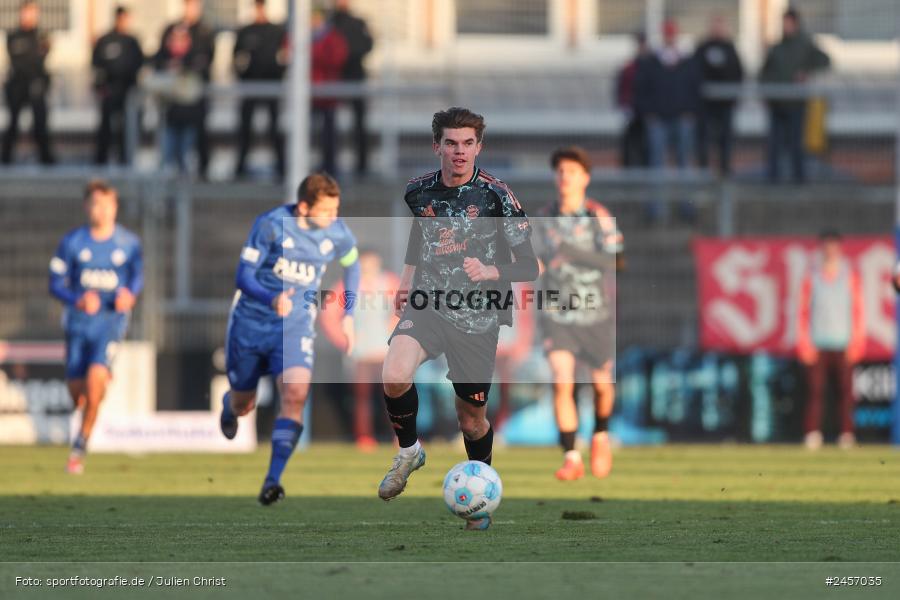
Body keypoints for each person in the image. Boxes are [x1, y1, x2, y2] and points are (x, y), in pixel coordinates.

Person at [377, 107, 539, 530]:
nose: (459, 151)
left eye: (468, 143)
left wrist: (491, 271)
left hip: (478, 318)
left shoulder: (497, 197)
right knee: (394, 372)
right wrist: (407, 279)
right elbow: (424, 231)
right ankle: (410, 451)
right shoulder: (417, 191)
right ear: (437, 147)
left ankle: (479, 502)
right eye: (451, 143)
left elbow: (530, 266)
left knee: (471, 419)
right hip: (429, 304)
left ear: (478, 147)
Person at [219, 173, 360, 505]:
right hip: (251, 323)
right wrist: (271, 298)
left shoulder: (337, 233)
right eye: (326, 210)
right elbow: (243, 276)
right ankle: (231, 405)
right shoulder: (270, 225)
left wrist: (349, 316)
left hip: (296, 326)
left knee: (295, 394)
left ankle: (272, 480)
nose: (333, 218)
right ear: (303, 208)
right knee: (244, 402)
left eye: (336, 209)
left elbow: (352, 267)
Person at [533, 147, 623, 480]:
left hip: (595, 313)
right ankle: (571, 456)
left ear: (584, 178)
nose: (565, 178)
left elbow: (617, 261)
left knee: (601, 384)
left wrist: (571, 252)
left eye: (571, 171)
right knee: (562, 381)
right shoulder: (544, 219)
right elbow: (537, 261)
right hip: (557, 312)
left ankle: (600, 434)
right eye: (560, 172)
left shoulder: (597, 216)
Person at [48, 180, 143, 474]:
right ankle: (97, 384)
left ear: (114, 207)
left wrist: (130, 294)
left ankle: (80, 445)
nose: (100, 210)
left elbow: (136, 279)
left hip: (110, 322)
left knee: (94, 379)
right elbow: (54, 284)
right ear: (86, 207)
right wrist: (77, 299)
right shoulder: (72, 242)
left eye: (106, 204)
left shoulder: (129, 244)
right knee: (77, 392)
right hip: (78, 324)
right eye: (94, 204)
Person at [320, 248, 399, 451]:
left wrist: (397, 328)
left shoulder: (390, 282)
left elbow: (405, 308)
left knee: (395, 396)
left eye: (372, 262)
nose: (368, 267)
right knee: (361, 398)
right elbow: (329, 317)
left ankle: (401, 437)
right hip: (361, 353)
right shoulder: (346, 286)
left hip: (386, 351)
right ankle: (364, 438)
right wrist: (346, 341)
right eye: (364, 263)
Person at [796, 231, 865, 450]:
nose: (830, 251)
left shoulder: (849, 276)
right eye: (826, 247)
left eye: (833, 247)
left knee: (845, 392)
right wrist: (804, 341)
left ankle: (846, 434)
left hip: (843, 341)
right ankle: (813, 433)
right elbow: (802, 310)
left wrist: (857, 340)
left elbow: (858, 310)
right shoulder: (812, 276)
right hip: (818, 341)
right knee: (815, 391)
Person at [760, 9, 830, 184]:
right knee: (774, 145)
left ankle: (798, 180)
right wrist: (765, 94)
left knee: (795, 144)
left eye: (789, 23)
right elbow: (764, 73)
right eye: (784, 23)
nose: (786, 27)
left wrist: (806, 72)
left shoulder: (804, 45)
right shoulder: (777, 48)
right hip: (776, 104)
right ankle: (773, 181)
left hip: (796, 104)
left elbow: (825, 60)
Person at [154, 0, 216, 177]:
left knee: (193, 143)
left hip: (193, 105)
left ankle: (202, 172)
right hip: (173, 107)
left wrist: (184, 67)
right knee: (171, 151)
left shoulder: (205, 31)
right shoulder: (172, 28)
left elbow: (205, 61)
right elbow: (160, 59)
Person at [634, 19, 701, 171]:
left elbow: (695, 88)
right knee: (656, 159)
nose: (670, 38)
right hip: (658, 119)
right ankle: (657, 195)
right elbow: (642, 89)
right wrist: (649, 113)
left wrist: (691, 112)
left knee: (684, 159)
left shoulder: (687, 61)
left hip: (682, 117)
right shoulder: (651, 62)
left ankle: (685, 195)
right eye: (667, 34)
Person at [233, 0, 288, 179]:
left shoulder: (276, 31)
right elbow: (236, 57)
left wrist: (279, 75)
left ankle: (281, 167)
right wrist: (242, 75)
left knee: (274, 127)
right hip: (250, 87)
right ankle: (240, 167)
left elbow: (286, 55)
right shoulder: (245, 31)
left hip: (272, 86)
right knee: (245, 127)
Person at [2, 0, 54, 165]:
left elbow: (43, 60)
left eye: (33, 12)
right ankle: (6, 158)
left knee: (40, 122)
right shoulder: (13, 36)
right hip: (17, 85)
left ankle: (45, 158)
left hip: (36, 85)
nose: (30, 16)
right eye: (27, 12)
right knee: (13, 123)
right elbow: (20, 61)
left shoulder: (42, 35)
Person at [92, 6, 145, 166]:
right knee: (106, 126)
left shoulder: (132, 41)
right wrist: (100, 86)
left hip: (127, 90)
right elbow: (96, 65)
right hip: (109, 90)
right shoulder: (105, 40)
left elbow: (139, 64)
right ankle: (101, 160)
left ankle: (125, 158)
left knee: (127, 126)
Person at [694, 15, 743, 176]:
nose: (717, 29)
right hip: (706, 105)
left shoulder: (730, 48)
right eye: (715, 25)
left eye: (720, 25)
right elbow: (694, 73)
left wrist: (735, 97)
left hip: (726, 104)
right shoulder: (703, 47)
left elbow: (738, 73)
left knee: (725, 139)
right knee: (704, 138)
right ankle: (704, 170)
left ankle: (725, 170)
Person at [330, 0, 373, 177]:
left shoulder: (358, 22)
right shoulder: (330, 22)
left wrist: (346, 55)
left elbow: (368, 45)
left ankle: (362, 165)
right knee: (329, 122)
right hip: (334, 78)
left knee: (359, 122)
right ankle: (330, 162)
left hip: (354, 77)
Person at [311, 7, 348, 176]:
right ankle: (317, 163)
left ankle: (330, 164)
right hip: (312, 94)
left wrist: (316, 56)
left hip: (328, 94)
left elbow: (337, 58)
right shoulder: (309, 37)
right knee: (315, 133)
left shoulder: (332, 37)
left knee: (329, 133)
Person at [615, 32, 650, 168]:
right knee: (630, 141)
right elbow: (622, 87)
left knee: (645, 143)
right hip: (632, 110)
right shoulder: (630, 67)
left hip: (646, 111)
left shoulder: (650, 65)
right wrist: (624, 105)